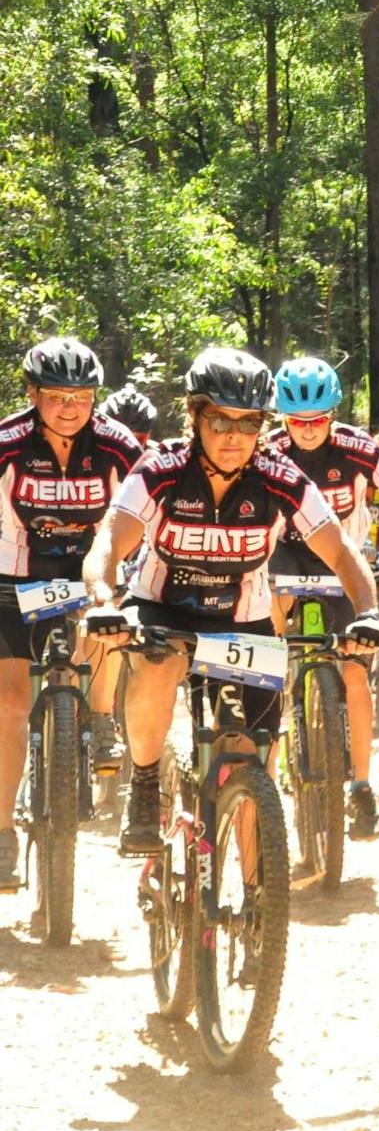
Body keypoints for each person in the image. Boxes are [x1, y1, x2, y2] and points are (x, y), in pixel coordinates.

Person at [81, 348, 379, 855]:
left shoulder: (279, 475)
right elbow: (110, 540)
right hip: (163, 606)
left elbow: (341, 551)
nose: (233, 436)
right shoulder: (163, 467)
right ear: (195, 415)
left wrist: (369, 612)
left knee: (252, 760)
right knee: (157, 664)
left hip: (243, 618)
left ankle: (259, 887)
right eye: (220, 420)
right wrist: (101, 599)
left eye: (249, 423)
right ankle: (146, 785)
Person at [266, 359, 379, 840]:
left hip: (342, 560)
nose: (308, 430)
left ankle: (361, 786)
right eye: (297, 421)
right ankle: (267, 776)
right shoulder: (269, 451)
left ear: (334, 414)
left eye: (318, 419)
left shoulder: (359, 448)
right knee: (269, 658)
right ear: (283, 419)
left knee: (356, 671)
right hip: (284, 554)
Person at [0, 338, 142, 887]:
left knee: (110, 620)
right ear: (32, 394)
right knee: (10, 704)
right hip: (14, 574)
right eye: (57, 396)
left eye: (81, 396)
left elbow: (156, 502)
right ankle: (3, 833)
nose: (69, 407)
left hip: (89, 572)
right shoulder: (9, 442)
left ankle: (101, 718)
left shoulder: (116, 443)